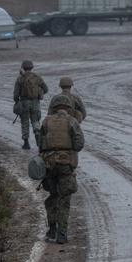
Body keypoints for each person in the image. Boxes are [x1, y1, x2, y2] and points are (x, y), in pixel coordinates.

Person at [37, 94, 85, 244]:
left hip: (49, 164)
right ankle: (62, 234)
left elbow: (40, 144)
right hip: (65, 165)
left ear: (54, 107)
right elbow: (79, 144)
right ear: (68, 108)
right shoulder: (72, 121)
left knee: (53, 196)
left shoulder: (46, 121)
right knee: (64, 199)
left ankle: (51, 230)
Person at [13, 60, 48, 149]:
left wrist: (17, 101)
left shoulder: (20, 78)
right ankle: (36, 131)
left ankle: (26, 143)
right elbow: (46, 89)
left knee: (25, 122)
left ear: (23, 67)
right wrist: (39, 93)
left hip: (24, 102)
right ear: (32, 67)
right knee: (35, 120)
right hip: (35, 102)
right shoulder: (37, 77)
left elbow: (16, 94)